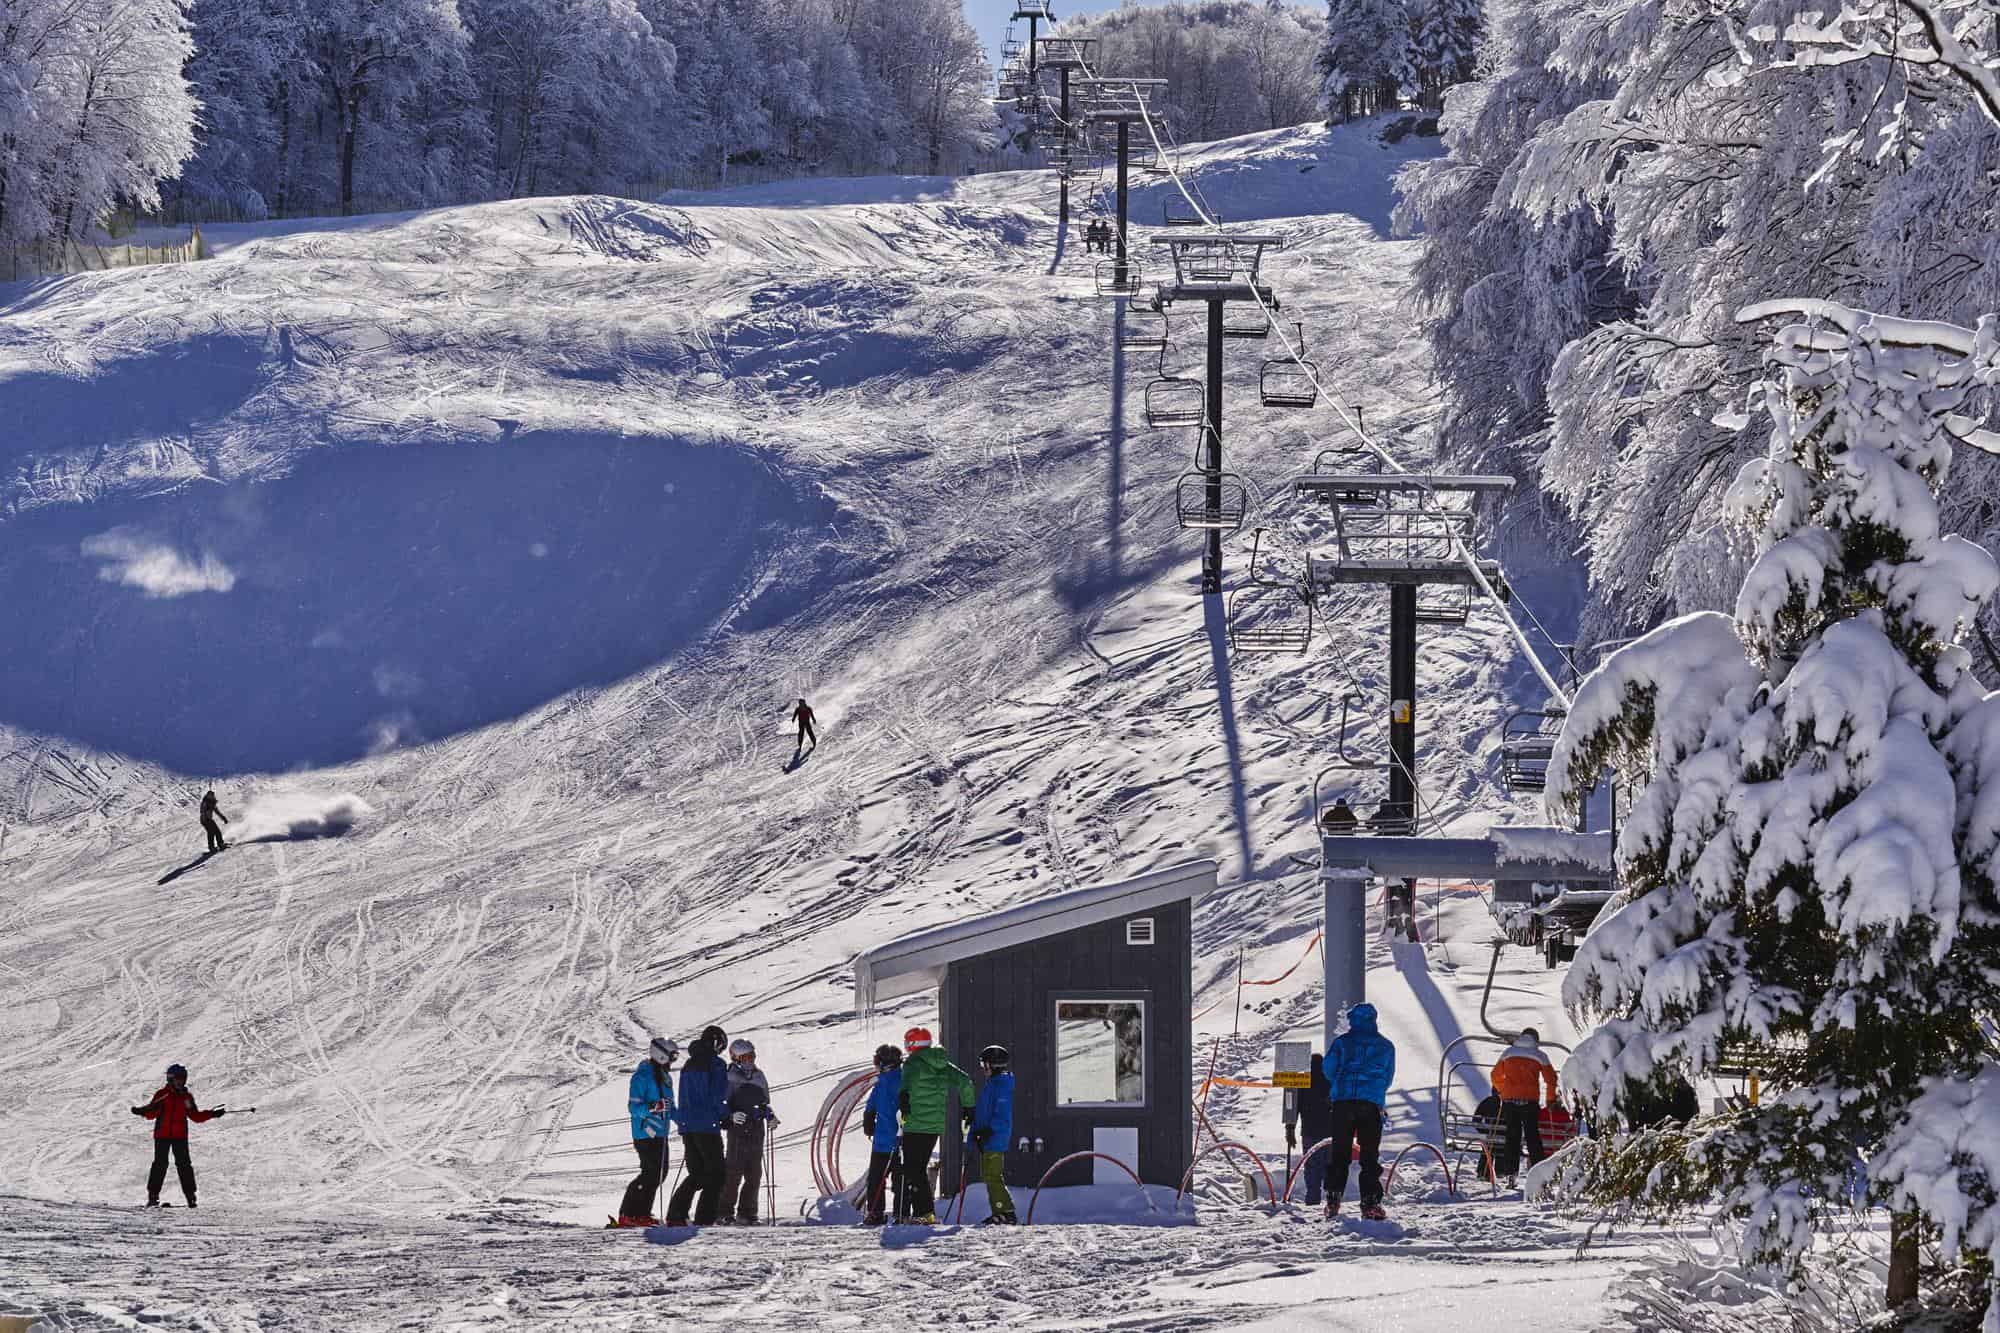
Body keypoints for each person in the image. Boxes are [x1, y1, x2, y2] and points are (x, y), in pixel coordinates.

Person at [1323, 1002, 1395, 1219]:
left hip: (1343, 1103)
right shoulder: (1386, 1046)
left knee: (1340, 1155)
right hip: (1371, 1104)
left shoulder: (1342, 1043)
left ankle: (1333, 1200)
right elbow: (1388, 1077)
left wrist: (1341, 1083)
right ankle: (1370, 1203)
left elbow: (1328, 1069)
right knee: (1370, 1156)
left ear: (1353, 1020)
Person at [895, 1026, 973, 1223]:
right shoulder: (942, 1064)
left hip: (914, 1124)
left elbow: (906, 1087)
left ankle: (924, 1213)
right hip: (935, 1126)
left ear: (913, 1044)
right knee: (917, 1168)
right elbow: (965, 1082)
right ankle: (924, 1212)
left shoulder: (913, 1064)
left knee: (914, 1169)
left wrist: (903, 1102)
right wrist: (968, 1108)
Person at [132, 1063, 225, 1207]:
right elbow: (152, 1112)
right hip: (162, 1135)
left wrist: (212, 1114)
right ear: (170, 1079)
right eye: (177, 1079)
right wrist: (142, 1112)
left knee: (184, 1165)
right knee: (160, 1165)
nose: (180, 1082)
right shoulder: (163, 1095)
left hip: (179, 1136)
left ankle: (190, 1196)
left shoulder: (186, 1097)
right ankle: (153, 1196)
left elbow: (195, 1116)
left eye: (182, 1079)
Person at [664, 1025, 730, 1226]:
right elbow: (718, 1094)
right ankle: (705, 1218)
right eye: (721, 1046)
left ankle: (676, 1214)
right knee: (717, 1174)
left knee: (698, 1173)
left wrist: (680, 1117)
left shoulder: (689, 1064)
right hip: (706, 1125)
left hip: (687, 1125)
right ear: (716, 1043)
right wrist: (724, 1115)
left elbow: (684, 1095)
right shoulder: (716, 1064)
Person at [612, 1036, 677, 1227]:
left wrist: (682, 1120)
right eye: (671, 1057)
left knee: (659, 1174)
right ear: (661, 1055)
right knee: (650, 1173)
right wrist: (653, 1107)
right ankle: (628, 1213)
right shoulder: (642, 1076)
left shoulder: (665, 1078)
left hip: (660, 1133)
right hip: (644, 1134)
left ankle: (642, 1213)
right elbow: (633, 1108)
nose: (673, 1061)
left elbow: (669, 1106)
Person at [717, 1038, 779, 1224]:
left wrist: (770, 1116)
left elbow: (763, 1103)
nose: (750, 1061)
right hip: (738, 1129)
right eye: (745, 1058)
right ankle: (724, 1211)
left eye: (752, 1056)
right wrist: (730, 1116)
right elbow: (722, 1103)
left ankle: (748, 1212)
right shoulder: (729, 1077)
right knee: (733, 1171)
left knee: (754, 1172)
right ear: (735, 1058)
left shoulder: (759, 1076)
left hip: (756, 1127)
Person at [1490, 1026, 1559, 1182]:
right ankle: (1538, 1174)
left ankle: (1510, 1173)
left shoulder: (1508, 1053)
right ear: (1536, 1040)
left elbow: (1495, 1076)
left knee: (1512, 1136)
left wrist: (1502, 1091)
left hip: (1509, 1102)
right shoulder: (1539, 1055)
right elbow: (1551, 1080)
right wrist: (1550, 1099)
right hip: (1530, 1102)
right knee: (1532, 1137)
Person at [968, 1044, 1016, 1225]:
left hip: (996, 1138)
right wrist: (974, 1131)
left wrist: (989, 1129)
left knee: (993, 1176)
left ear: (991, 1066)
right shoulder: (993, 1084)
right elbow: (984, 1112)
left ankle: (1005, 1212)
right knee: (990, 1175)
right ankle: (1001, 1209)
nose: (982, 1069)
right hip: (988, 1138)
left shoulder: (1000, 1086)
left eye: (983, 1065)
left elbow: (1002, 1115)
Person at [860, 1044, 904, 1225]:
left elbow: (871, 1107)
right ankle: (900, 1212)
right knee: (897, 1179)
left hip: (891, 1140)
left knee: (877, 1179)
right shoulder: (888, 1082)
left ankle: (876, 1212)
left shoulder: (890, 1083)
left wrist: (869, 1123)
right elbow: (871, 1107)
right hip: (892, 1140)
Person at [1285, 1052, 1336, 1206]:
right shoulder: (1330, 1079)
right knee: (1330, 1166)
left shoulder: (1302, 1080)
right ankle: (1331, 1201)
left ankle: (1312, 1199)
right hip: (1330, 1132)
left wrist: (1290, 1129)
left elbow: (1292, 1107)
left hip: (1309, 1132)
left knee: (1312, 1167)